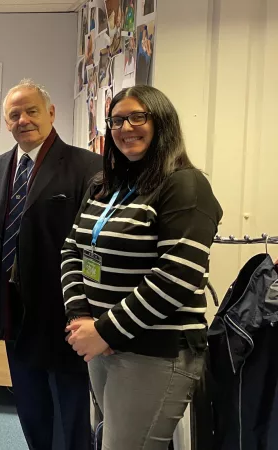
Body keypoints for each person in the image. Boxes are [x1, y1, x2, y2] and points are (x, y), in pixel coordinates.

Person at [62, 85, 223, 449]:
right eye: (117, 120)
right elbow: (72, 250)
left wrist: (105, 331)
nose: (125, 127)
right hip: (102, 344)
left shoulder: (185, 186)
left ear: (162, 122)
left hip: (155, 351)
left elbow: (176, 277)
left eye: (138, 117)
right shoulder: (105, 185)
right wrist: (80, 318)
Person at [0, 79, 102, 450]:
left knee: (69, 419)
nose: (23, 120)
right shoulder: (2, 165)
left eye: (31, 111)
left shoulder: (88, 167)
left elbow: (91, 248)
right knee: (32, 412)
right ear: (7, 123)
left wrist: (84, 311)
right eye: (14, 115)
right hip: (14, 315)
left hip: (61, 317)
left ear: (51, 113)